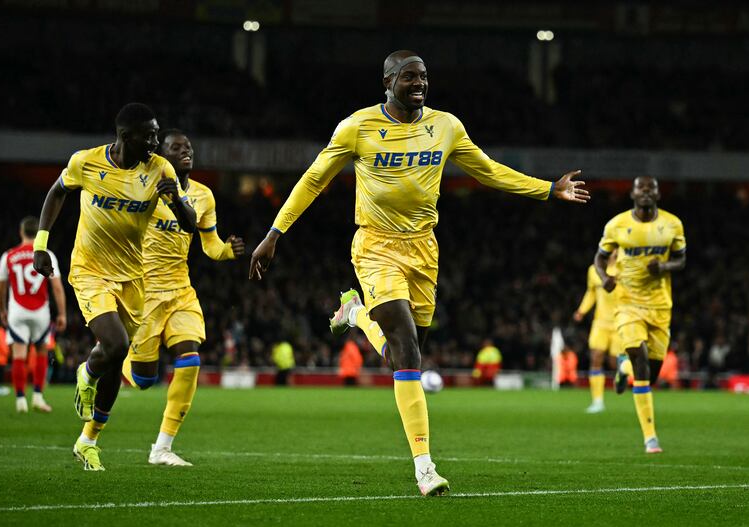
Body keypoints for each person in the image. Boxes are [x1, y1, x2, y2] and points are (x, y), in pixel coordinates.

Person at [249, 50, 589, 496]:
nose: (419, 84)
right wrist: (275, 233)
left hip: (424, 250)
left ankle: (355, 314)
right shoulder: (357, 127)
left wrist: (547, 189)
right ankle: (425, 468)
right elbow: (314, 179)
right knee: (407, 350)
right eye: (409, 77)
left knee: (402, 358)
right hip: (375, 247)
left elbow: (487, 171)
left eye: (424, 76)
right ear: (387, 82)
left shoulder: (446, 126)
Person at [32, 103, 196, 470]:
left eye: (157, 134)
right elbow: (57, 192)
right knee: (116, 344)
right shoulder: (86, 162)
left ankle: (88, 440)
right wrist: (40, 244)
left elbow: (190, 224)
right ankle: (87, 372)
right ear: (125, 136)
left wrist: (175, 199)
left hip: (134, 277)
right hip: (90, 271)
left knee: (116, 358)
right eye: (149, 136)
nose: (155, 142)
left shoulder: (160, 169)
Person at [121, 129, 245, 467]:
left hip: (180, 292)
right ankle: (115, 357)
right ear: (163, 155)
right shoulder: (143, 188)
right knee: (143, 380)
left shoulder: (203, 195)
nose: (186, 151)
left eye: (188, 146)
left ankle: (162, 448)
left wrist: (228, 251)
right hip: (145, 293)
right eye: (176, 148)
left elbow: (210, 245)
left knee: (190, 360)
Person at [594, 176, 686, 454]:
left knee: (650, 373)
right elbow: (600, 258)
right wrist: (605, 278)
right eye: (640, 188)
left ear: (658, 194)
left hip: (660, 307)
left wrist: (665, 266)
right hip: (627, 303)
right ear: (632, 194)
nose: (645, 192)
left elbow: (681, 259)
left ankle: (624, 369)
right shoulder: (617, 224)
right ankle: (650, 438)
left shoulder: (672, 224)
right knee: (641, 358)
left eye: (651, 188)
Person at [0, 216, 67, 412]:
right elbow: (57, 287)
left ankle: (20, 400)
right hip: (40, 311)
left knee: (19, 354)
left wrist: (2, 310)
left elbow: (0, 289)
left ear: (21, 232)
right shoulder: (48, 255)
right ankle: (37, 397)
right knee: (42, 351)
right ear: (38, 234)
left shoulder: (8, 256)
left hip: (17, 310)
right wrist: (62, 313)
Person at [573, 251, 621, 413]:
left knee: (614, 362)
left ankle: (623, 374)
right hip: (600, 323)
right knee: (596, 357)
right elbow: (591, 292)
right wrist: (581, 311)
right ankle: (597, 401)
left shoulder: (625, 268)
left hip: (619, 322)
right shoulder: (594, 270)